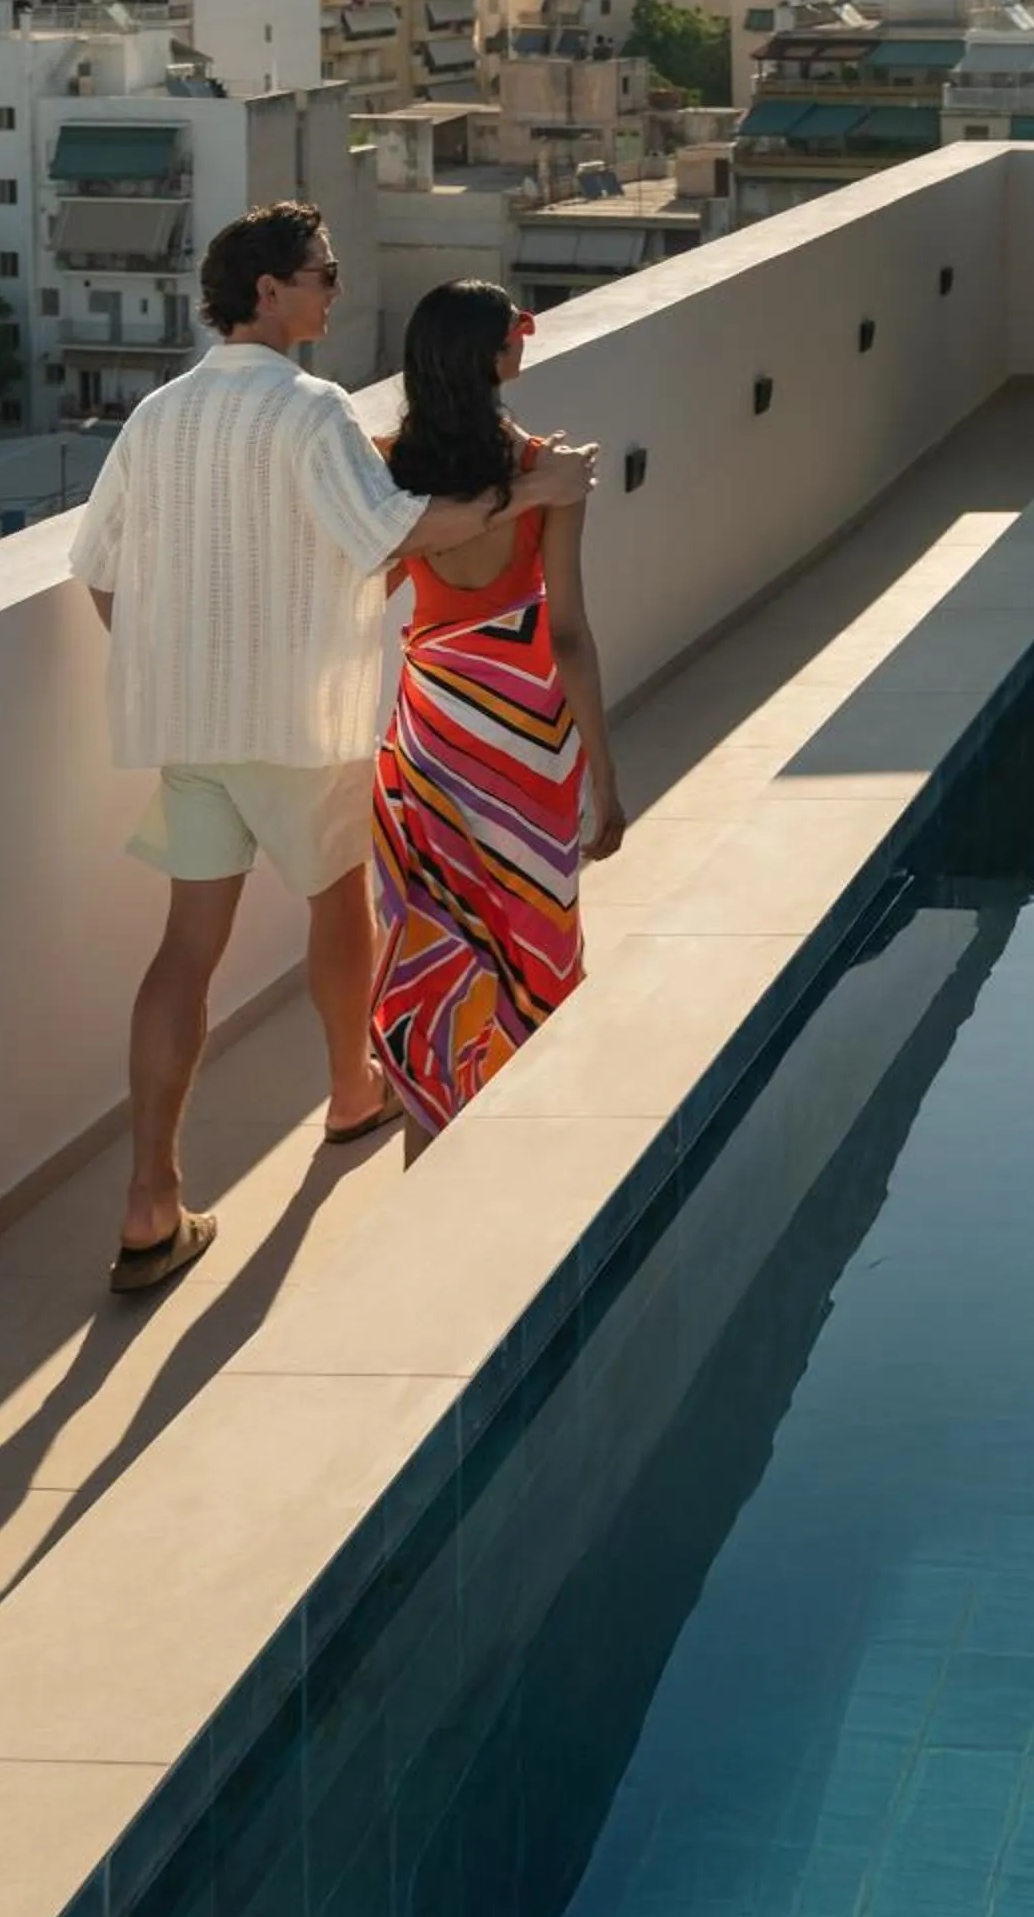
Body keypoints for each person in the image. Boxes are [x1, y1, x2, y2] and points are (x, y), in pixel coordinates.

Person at [69, 204, 594, 1295]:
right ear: (267, 291)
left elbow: (100, 569)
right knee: (339, 904)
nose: (334, 290)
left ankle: (149, 1204)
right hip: (296, 720)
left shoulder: (157, 413)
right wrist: (530, 489)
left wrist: (176, 666)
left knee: (184, 950)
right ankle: (354, 1095)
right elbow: (400, 531)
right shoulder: (311, 410)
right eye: (322, 273)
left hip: (191, 726)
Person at [370, 279, 625, 1147]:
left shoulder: (388, 463)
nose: (524, 339)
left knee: (440, 917)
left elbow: (374, 582)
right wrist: (605, 779)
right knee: (531, 914)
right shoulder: (549, 472)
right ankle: (526, 1124)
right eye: (516, 329)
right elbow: (571, 632)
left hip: (434, 720)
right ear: (492, 356)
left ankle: (434, 1113)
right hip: (528, 732)